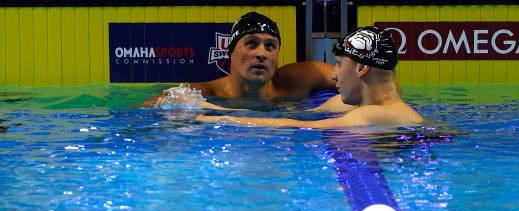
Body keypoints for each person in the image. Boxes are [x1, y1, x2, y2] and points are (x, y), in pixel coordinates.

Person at [195, 26, 423, 128]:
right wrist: (213, 108)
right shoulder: (365, 107)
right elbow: (302, 115)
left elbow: (293, 125)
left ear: (361, 69)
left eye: (339, 64)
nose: (333, 75)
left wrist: (212, 119)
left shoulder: (372, 115)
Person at [143, 12, 338, 107]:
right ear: (231, 51)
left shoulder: (301, 78)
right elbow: (142, 110)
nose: (262, 53)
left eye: (270, 46)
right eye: (252, 44)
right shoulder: (209, 93)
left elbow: (350, 75)